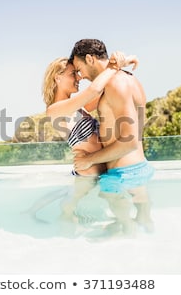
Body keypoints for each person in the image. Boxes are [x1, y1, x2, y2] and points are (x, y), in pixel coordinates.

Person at [24, 52, 138, 225]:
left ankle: (33, 211)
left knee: (74, 195)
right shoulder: (54, 110)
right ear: (57, 78)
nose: (78, 78)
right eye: (73, 74)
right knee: (70, 204)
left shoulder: (79, 107)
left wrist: (123, 62)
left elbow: (105, 86)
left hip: (95, 168)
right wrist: (114, 66)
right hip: (88, 172)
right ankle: (58, 220)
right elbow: (95, 89)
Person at [69, 39, 155, 235]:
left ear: (90, 59)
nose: (80, 76)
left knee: (127, 232)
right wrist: (119, 64)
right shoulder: (128, 79)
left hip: (123, 175)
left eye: (79, 68)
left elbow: (130, 141)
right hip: (138, 168)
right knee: (145, 224)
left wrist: (88, 160)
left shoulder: (116, 84)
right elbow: (84, 106)